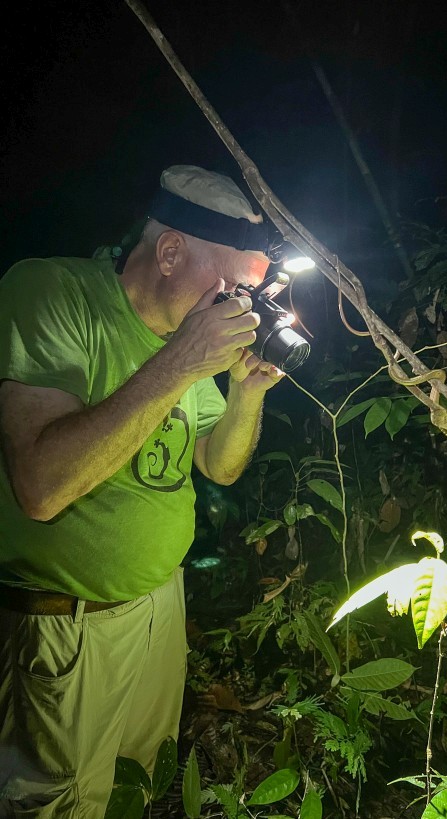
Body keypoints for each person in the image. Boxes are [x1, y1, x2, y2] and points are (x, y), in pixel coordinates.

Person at [0, 164, 284, 817]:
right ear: (170, 252)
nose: (239, 309)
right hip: (64, 631)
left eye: (249, 295)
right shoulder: (51, 291)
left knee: (136, 789)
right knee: (55, 803)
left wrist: (245, 391)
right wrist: (183, 359)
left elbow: (219, 464)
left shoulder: (192, 335)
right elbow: (41, 486)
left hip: (158, 612)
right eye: (232, 289)